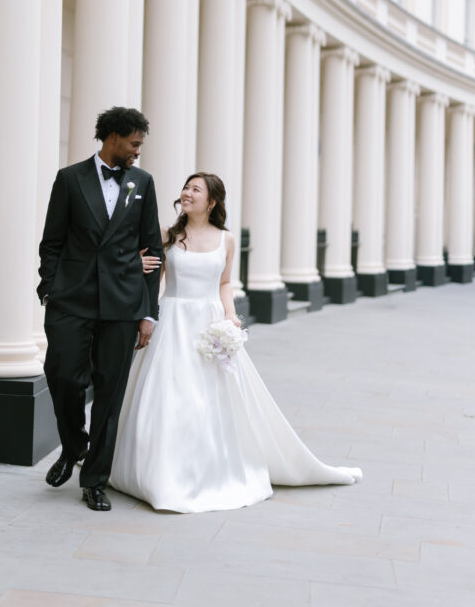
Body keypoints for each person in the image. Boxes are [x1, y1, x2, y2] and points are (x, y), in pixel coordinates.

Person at [110, 172, 362, 513]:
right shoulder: (168, 235)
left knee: (211, 399)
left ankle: (210, 466)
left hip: (209, 323)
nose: (186, 193)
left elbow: (225, 282)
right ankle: (159, 471)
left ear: (211, 202)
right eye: (186, 187)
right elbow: (155, 281)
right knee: (168, 394)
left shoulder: (225, 240)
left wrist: (229, 316)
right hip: (173, 319)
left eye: (195, 189)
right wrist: (147, 316)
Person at [38, 106, 162, 512]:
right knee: (63, 375)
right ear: (112, 138)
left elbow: (153, 250)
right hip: (71, 298)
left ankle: (95, 479)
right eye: (134, 143)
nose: (138, 151)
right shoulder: (70, 178)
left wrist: (148, 312)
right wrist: (50, 286)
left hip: (123, 303)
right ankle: (74, 445)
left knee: (110, 393)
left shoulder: (143, 182)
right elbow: (52, 240)